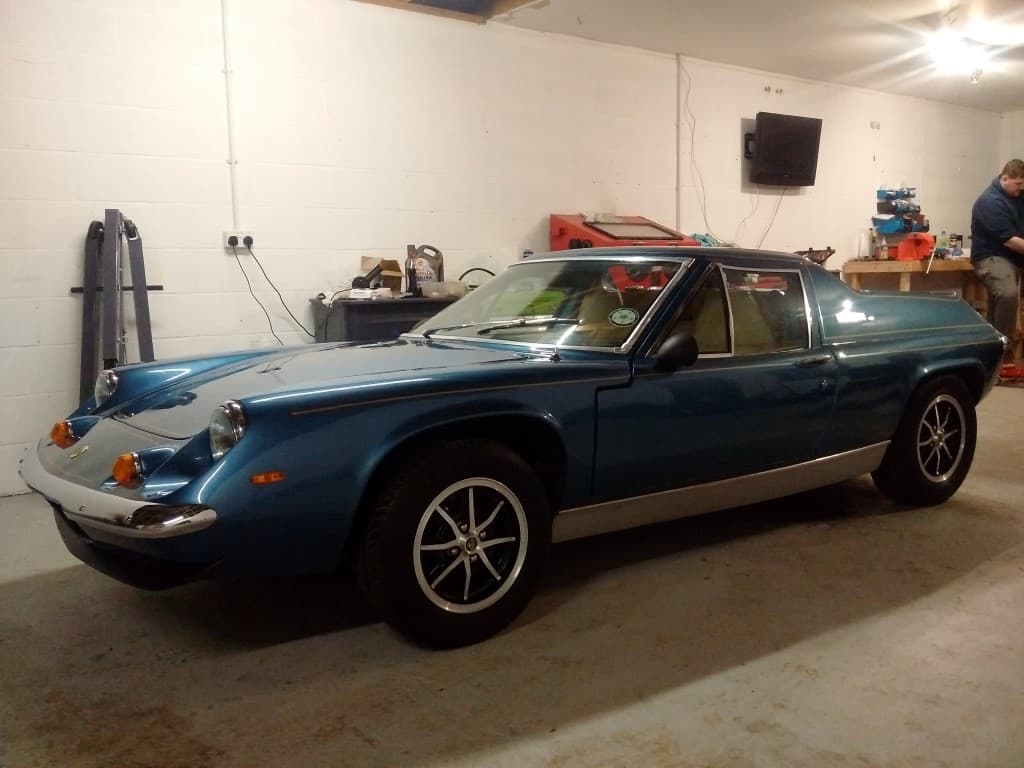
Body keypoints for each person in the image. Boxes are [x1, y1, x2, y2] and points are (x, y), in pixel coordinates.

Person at [971, 159, 1024, 365]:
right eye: (1018, 184)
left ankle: (990, 352)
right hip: (991, 257)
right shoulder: (989, 202)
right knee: (1007, 293)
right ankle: (1002, 351)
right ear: (1004, 179)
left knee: (999, 307)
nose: (1022, 188)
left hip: (1014, 257)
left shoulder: (1017, 195)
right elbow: (1010, 241)